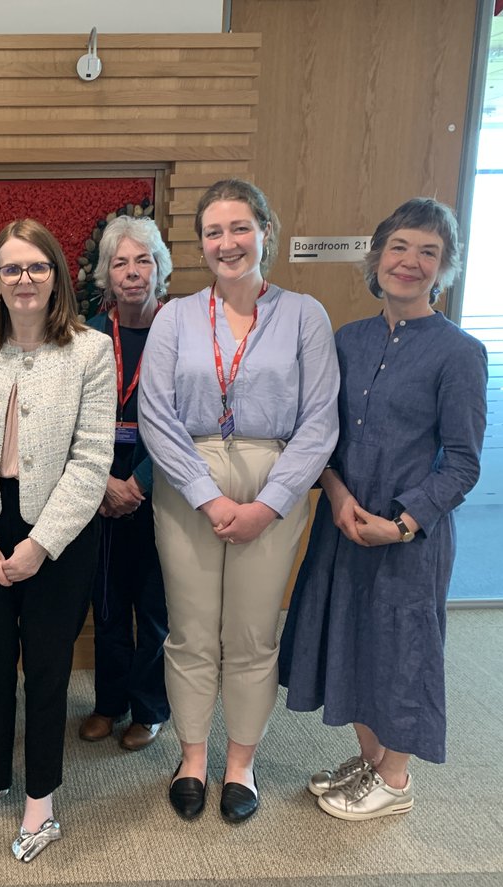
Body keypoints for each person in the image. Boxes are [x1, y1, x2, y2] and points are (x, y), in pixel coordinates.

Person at [278, 198, 487, 821]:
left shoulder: (458, 352)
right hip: (343, 525)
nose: (410, 262)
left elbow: (464, 463)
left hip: (408, 538)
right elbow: (322, 437)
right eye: (400, 247)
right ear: (377, 258)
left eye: (428, 252)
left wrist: (400, 524)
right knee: (348, 637)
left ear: (443, 268)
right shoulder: (348, 340)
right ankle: (370, 759)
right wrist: (339, 498)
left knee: (399, 648)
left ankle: (395, 779)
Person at [139, 179, 339, 824]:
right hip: (187, 480)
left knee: (253, 634)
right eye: (215, 232)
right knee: (192, 630)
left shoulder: (305, 314)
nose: (227, 243)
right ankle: (193, 757)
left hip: (272, 481)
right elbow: (156, 415)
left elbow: (320, 421)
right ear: (201, 244)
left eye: (239, 228)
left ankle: (240, 764)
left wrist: (269, 503)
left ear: (264, 233)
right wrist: (205, 496)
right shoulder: (175, 316)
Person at [0, 219, 114, 862]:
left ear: (56, 275)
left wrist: (41, 544)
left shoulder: (91, 350)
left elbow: (93, 459)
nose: (23, 279)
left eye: (36, 267)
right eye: (11, 269)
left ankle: (40, 793)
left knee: (46, 666)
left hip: (59, 534)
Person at [79, 216, 172, 752]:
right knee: (107, 603)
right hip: (99, 485)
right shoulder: (88, 334)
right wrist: (103, 485)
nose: (132, 272)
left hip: (158, 485)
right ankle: (107, 704)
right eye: (120, 262)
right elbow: (70, 420)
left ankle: (149, 709)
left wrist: (139, 483)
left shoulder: (179, 329)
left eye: (143, 261)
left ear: (159, 270)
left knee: (153, 607)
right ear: (106, 275)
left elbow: (189, 420)